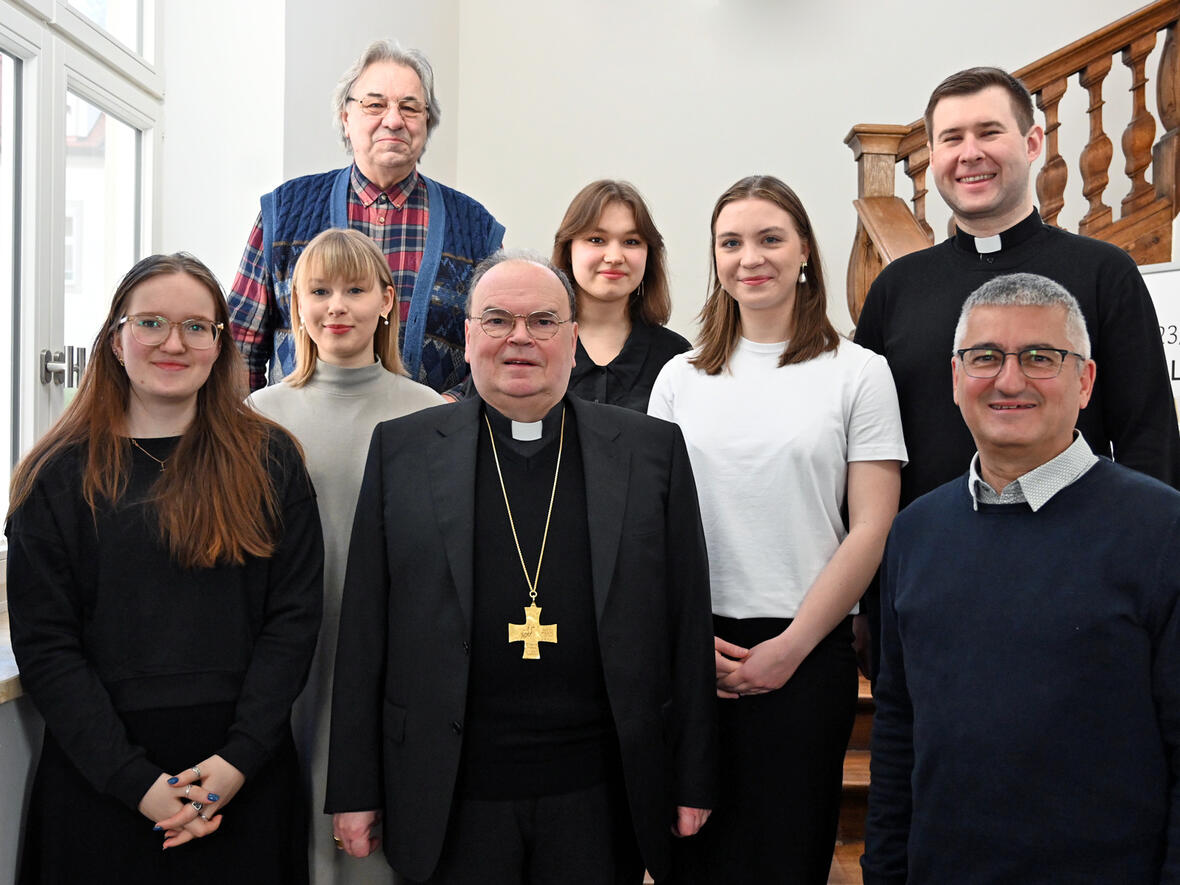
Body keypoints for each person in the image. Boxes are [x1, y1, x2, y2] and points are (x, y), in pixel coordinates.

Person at [325, 250, 717, 884]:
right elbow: (365, 628)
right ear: (469, 336)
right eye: (498, 320)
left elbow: (687, 621)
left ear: (572, 337)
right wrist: (354, 787)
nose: (520, 338)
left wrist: (692, 777)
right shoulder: (403, 449)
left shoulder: (651, 450)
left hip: (600, 793)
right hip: (451, 792)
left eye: (542, 321)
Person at [6, 254, 323, 884]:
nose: (173, 344)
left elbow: (293, 621)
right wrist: (136, 783)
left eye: (196, 327)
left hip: (242, 780)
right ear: (115, 340)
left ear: (219, 345)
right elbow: (46, 646)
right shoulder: (54, 476)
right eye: (150, 322)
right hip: (99, 783)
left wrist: (238, 760)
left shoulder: (272, 460)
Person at [853, 65, 1180, 675]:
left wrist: (1147, 575)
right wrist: (868, 600)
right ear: (932, 157)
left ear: (1032, 143)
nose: (969, 154)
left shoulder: (1104, 273)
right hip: (928, 582)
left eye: (989, 132)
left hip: (1080, 582)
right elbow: (867, 454)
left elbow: (1148, 436)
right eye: (951, 138)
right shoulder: (896, 288)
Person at [863, 273, 1180, 884]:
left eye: (1040, 357)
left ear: (1085, 381)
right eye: (985, 357)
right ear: (956, 378)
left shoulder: (1162, 531)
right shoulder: (915, 532)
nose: (1009, 381)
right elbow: (899, 728)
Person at [649, 175, 907, 883]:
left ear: (804, 252)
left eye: (770, 239)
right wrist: (684, 641)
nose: (750, 258)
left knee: (787, 856)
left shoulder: (859, 373)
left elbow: (872, 524)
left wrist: (792, 647)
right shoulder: (679, 377)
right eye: (731, 242)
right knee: (690, 859)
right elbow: (652, 526)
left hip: (808, 646)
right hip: (695, 646)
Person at [248, 228, 444, 883]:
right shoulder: (258, 416)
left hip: (389, 651)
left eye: (355, 290)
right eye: (320, 291)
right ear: (296, 304)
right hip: (285, 647)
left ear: (387, 301)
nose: (337, 306)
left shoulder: (427, 414)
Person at [229, 39, 504, 394]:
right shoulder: (283, 213)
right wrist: (253, 423)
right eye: (375, 105)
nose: (394, 120)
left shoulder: (475, 228)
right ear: (346, 119)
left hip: (433, 429)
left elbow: (497, 348)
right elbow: (240, 347)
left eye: (410, 108)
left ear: (426, 122)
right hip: (297, 429)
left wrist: (448, 410)